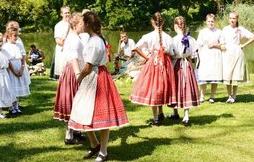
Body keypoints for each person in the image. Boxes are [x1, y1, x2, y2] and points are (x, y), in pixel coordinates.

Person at [69, 11, 129, 162]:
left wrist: (79, 77)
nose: (80, 25)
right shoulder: (92, 39)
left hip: (97, 78)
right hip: (92, 77)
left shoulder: (96, 41)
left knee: (101, 114)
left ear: (88, 24)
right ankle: (95, 144)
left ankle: (103, 151)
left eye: (82, 22)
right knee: (81, 109)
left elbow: (88, 67)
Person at [129, 12, 176, 126]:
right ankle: (160, 113)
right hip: (165, 64)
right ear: (163, 22)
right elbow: (172, 53)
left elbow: (135, 47)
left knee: (154, 89)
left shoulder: (148, 36)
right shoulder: (168, 37)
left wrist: (148, 57)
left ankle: (156, 118)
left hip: (153, 64)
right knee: (161, 88)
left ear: (152, 22)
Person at [53, 12, 86, 145]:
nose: (84, 25)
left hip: (72, 71)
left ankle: (75, 130)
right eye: (82, 23)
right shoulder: (73, 39)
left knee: (76, 102)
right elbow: (73, 58)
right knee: (74, 102)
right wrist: (78, 75)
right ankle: (69, 135)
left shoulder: (75, 37)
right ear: (76, 24)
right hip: (73, 71)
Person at [167, 16, 200, 125]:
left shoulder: (174, 40)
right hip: (187, 65)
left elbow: (171, 54)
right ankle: (185, 115)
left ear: (175, 26)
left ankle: (177, 113)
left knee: (175, 88)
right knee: (186, 88)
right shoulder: (191, 39)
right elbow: (195, 54)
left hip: (177, 65)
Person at [221, 11, 254, 103]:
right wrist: (222, 46)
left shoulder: (240, 29)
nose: (232, 20)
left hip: (237, 52)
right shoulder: (225, 29)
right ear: (228, 19)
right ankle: (229, 96)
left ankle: (234, 95)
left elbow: (253, 37)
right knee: (228, 74)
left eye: (234, 18)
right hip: (227, 53)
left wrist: (243, 45)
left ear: (237, 19)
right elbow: (222, 41)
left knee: (235, 75)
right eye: (230, 18)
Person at [2, 26, 31, 114]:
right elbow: (8, 61)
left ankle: (16, 106)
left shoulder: (18, 45)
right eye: (14, 36)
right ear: (9, 36)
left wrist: (22, 69)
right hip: (12, 69)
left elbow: (22, 57)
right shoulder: (6, 47)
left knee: (17, 89)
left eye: (17, 36)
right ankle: (11, 107)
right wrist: (14, 71)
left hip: (19, 66)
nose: (16, 38)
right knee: (12, 88)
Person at [197, 14, 223, 103]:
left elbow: (223, 44)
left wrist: (215, 45)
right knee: (203, 75)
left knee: (214, 76)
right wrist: (199, 56)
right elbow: (199, 44)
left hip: (216, 55)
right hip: (205, 55)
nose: (210, 23)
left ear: (215, 22)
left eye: (212, 21)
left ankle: (212, 96)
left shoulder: (219, 32)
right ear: (206, 22)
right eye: (209, 21)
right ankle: (202, 96)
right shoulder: (202, 32)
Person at [51, 6, 71, 80]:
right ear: (61, 14)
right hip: (63, 51)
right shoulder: (58, 25)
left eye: (69, 12)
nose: (67, 14)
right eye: (65, 13)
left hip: (72, 51)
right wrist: (68, 46)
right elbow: (58, 41)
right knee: (63, 72)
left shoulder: (73, 23)